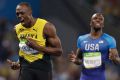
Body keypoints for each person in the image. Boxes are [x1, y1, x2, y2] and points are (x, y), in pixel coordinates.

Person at [7, 2, 63, 80]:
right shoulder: (17, 29)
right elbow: (24, 49)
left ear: (30, 12)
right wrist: (18, 63)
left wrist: (38, 47)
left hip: (43, 70)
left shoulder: (46, 27)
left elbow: (59, 51)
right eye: (17, 14)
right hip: (25, 69)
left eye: (22, 13)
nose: (19, 16)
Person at [68, 13, 120, 80]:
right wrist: (76, 60)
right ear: (90, 23)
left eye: (101, 19)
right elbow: (79, 60)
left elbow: (118, 61)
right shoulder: (81, 39)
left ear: (103, 24)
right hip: (84, 78)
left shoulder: (110, 40)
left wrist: (115, 59)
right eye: (95, 18)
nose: (98, 20)